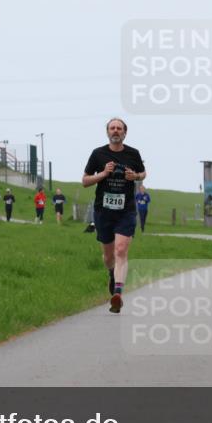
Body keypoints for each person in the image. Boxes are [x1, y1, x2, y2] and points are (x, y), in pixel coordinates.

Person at [82, 117, 146, 313]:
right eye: (112, 128)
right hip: (103, 211)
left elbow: (143, 173)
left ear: (125, 133)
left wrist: (135, 176)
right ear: (107, 132)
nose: (116, 131)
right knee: (108, 256)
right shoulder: (98, 154)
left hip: (126, 210)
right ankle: (112, 273)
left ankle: (118, 293)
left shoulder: (133, 153)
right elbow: (85, 181)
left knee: (120, 250)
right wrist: (103, 174)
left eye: (119, 128)